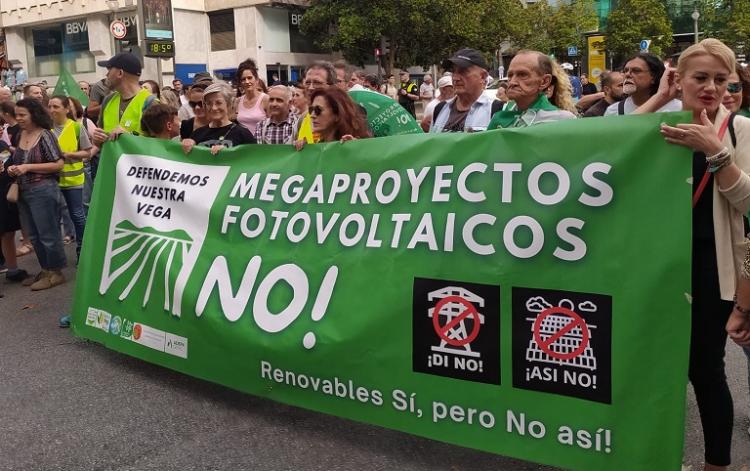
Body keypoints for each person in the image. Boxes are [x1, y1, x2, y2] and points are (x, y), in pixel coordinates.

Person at [641, 38, 750, 471]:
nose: (710, 87)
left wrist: (715, 152)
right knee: (650, 366)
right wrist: (659, 100)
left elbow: (748, 204)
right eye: (699, 77)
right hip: (654, 267)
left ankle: (716, 465)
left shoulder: (740, 130)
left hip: (712, 269)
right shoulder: (659, 126)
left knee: (705, 370)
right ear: (678, 78)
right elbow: (604, 150)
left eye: (721, 80)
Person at [6, 98, 67, 291]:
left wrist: (27, 167)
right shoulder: (21, 134)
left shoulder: (45, 135)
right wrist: (13, 169)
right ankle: (46, 270)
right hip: (24, 192)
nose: (19, 118)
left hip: (43, 190)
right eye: (17, 115)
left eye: (23, 115)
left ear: (34, 114)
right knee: (34, 235)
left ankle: (56, 272)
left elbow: (58, 164)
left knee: (48, 233)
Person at [48, 95, 91, 261]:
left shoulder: (76, 128)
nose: (52, 110)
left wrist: (70, 155)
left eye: (56, 106)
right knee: (53, 219)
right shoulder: (45, 129)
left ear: (66, 109)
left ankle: (83, 251)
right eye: (50, 106)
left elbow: (87, 152)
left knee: (78, 216)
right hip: (51, 181)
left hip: (73, 181)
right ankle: (57, 258)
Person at [487, 50, 577, 129]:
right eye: (510, 75)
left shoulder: (562, 120)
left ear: (544, 82)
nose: (512, 82)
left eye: (522, 75)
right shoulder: (498, 118)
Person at [91, 52, 156, 147]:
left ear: (120, 73)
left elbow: (160, 146)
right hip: (112, 161)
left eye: (109, 69)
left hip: (137, 162)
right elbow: (100, 141)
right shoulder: (108, 100)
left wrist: (129, 137)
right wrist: (97, 140)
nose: (107, 74)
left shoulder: (150, 103)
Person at [430, 48, 501, 133]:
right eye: (453, 71)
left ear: (482, 76)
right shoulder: (440, 109)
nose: (455, 78)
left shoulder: (497, 111)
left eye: (463, 71)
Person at [183, 82, 256, 155]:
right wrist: (186, 145)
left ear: (228, 104)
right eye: (209, 103)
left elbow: (253, 160)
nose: (214, 108)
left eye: (218, 103)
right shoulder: (197, 134)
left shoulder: (242, 134)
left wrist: (228, 154)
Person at [605, 52, 682, 116]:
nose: (628, 74)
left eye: (636, 70)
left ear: (654, 77)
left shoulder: (678, 108)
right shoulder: (613, 111)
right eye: (625, 70)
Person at [295, 87, 369, 149]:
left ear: (337, 115)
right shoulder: (312, 146)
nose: (312, 115)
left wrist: (357, 150)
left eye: (318, 110)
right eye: (311, 110)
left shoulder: (356, 144)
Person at [293, 61, 337, 145]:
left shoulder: (348, 117)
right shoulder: (303, 118)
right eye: (307, 82)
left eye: (317, 83)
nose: (311, 88)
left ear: (332, 86)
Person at [235, 58, 268, 133]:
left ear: (256, 79)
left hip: (260, 143)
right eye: (243, 79)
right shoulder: (238, 101)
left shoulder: (266, 99)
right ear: (240, 83)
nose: (247, 81)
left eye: (249, 78)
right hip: (243, 143)